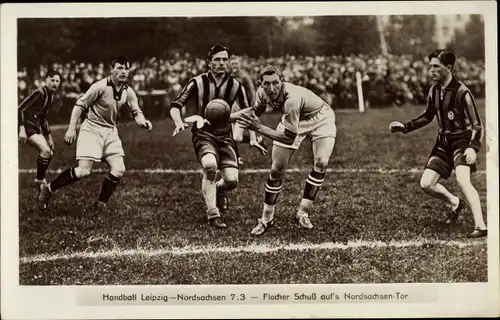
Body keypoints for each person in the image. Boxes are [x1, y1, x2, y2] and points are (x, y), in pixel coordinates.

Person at [389, 49, 487, 238]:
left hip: (461, 142)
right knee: (426, 183)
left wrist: (473, 148)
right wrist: (405, 127)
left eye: (436, 67)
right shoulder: (434, 91)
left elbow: (477, 125)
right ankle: (456, 203)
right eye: (430, 67)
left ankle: (481, 226)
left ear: (448, 68)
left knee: (462, 180)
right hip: (443, 143)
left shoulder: (462, 92)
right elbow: (428, 116)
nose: (431, 70)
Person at [38, 56, 153, 212]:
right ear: (111, 69)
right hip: (91, 129)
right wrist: (72, 128)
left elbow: (136, 112)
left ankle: (100, 205)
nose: (123, 72)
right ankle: (49, 189)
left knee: (119, 169)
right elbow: (79, 105)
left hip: (110, 131)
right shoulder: (100, 86)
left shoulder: (129, 92)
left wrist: (143, 122)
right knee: (83, 171)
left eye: (126, 68)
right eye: (119, 68)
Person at [170, 45, 265, 229]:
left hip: (224, 136)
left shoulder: (235, 85)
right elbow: (176, 104)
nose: (221, 63)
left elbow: (248, 112)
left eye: (224, 59)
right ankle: (213, 213)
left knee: (231, 181)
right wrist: (178, 121)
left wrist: (252, 137)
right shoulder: (197, 82)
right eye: (217, 60)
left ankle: (219, 190)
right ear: (209, 62)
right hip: (203, 134)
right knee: (210, 166)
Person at [236, 66, 337, 236]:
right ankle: (266, 218)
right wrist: (228, 116)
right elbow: (255, 113)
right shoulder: (262, 93)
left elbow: (288, 137)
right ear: (261, 84)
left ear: (282, 81)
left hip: (321, 118)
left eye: (275, 82)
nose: (272, 88)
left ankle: (303, 213)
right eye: (267, 84)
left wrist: (259, 128)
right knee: (276, 170)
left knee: (321, 162)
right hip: (292, 120)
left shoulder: (292, 99)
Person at [18, 70, 62, 189]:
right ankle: (39, 180)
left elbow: (43, 118)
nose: (55, 83)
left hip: (34, 126)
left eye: (57, 81)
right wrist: (21, 129)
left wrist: (49, 137)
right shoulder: (39, 93)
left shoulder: (50, 96)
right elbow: (21, 109)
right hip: (26, 125)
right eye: (52, 80)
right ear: (46, 80)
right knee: (45, 151)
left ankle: (39, 178)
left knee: (49, 153)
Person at [229, 56, 267, 165]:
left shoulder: (244, 76)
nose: (234, 66)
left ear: (240, 65)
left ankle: (256, 140)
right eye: (232, 64)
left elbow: (251, 91)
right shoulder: (229, 76)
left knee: (236, 137)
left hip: (244, 109)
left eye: (236, 63)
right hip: (232, 109)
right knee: (232, 136)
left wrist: (253, 106)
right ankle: (237, 157)